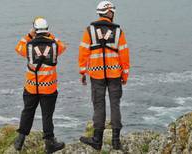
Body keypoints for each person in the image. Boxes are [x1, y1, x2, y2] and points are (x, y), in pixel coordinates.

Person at [78, 1, 130, 150]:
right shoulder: (119, 32)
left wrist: (83, 72)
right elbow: (124, 55)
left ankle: (97, 140)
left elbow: (83, 52)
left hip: (96, 74)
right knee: (115, 105)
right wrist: (124, 75)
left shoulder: (89, 31)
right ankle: (116, 141)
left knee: (98, 106)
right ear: (109, 12)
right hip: (115, 74)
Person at [14, 17, 67, 153]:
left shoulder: (28, 45)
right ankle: (49, 143)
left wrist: (29, 35)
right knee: (47, 115)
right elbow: (62, 45)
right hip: (48, 88)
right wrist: (49, 35)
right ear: (47, 30)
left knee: (28, 111)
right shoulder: (55, 46)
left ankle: (20, 140)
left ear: (35, 30)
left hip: (31, 86)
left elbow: (18, 47)